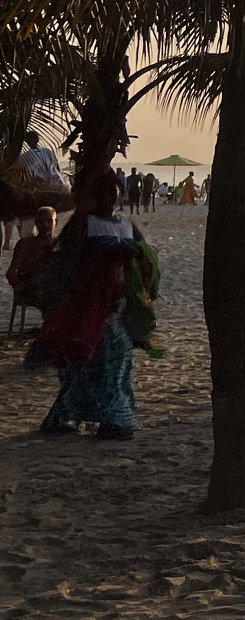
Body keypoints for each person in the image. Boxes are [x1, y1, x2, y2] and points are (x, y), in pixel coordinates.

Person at [31, 169, 157, 440]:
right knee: (102, 361)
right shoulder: (83, 223)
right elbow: (68, 261)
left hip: (117, 305)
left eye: (114, 192)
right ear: (95, 195)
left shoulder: (127, 224)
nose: (110, 198)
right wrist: (107, 254)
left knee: (109, 363)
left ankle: (70, 416)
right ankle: (113, 420)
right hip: (88, 305)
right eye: (105, 192)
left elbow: (145, 253)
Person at [7, 205, 59, 307]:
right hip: (33, 287)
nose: (45, 225)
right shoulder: (26, 244)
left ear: (56, 222)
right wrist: (20, 287)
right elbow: (11, 272)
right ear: (36, 223)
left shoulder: (61, 243)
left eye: (49, 221)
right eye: (41, 222)